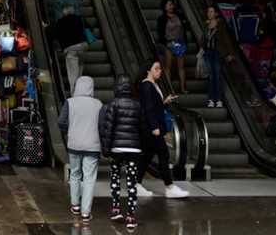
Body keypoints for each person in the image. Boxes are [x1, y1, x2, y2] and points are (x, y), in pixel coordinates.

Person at [137, 59, 190, 199]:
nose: (159, 71)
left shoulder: (152, 85)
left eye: (160, 68)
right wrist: (155, 127)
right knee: (163, 155)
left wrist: (164, 103)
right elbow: (148, 108)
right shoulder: (147, 86)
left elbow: (154, 107)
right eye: (157, 68)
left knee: (147, 156)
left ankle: (136, 184)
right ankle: (169, 187)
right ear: (149, 70)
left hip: (151, 128)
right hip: (152, 129)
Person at [100, 75, 142, 230]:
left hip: (117, 148)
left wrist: (106, 148)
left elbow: (108, 128)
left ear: (117, 87)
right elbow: (142, 128)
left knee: (115, 176)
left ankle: (116, 208)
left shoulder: (113, 104)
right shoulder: (138, 105)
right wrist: (140, 147)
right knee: (131, 181)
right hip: (134, 149)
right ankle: (131, 215)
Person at [58, 76, 102, 223]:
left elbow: (61, 122)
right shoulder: (98, 104)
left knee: (75, 174)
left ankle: (75, 205)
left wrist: (69, 132)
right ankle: (85, 213)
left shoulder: (70, 103)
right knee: (89, 178)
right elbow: (102, 126)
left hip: (74, 145)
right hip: (92, 146)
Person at [157, 0, 187, 94]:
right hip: (169, 43)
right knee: (168, 66)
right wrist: (165, 43)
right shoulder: (162, 18)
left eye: (172, 4)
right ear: (165, 7)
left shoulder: (179, 15)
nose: (171, 6)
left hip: (180, 42)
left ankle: (183, 88)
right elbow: (160, 32)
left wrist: (185, 41)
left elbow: (183, 28)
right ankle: (169, 89)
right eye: (169, 5)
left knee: (181, 67)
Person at [55, 4, 88, 94]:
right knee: (79, 69)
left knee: (72, 73)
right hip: (83, 46)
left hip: (71, 49)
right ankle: (81, 89)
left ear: (64, 12)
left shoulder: (60, 22)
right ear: (72, 11)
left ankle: (75, 94)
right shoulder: (78, 18)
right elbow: (86, 28)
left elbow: (56, 35)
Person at [203, 5, 224, 109]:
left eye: (211, 11)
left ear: (215, 13)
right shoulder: (206, 25)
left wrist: (229, 53)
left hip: (217, 53)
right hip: (208, 53)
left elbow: (226, 39)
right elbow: (203, 40)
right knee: (211, 77)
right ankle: (211, 99)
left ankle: (219, 99)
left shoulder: (220, 24)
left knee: (217, 76)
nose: (209, 13)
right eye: (208, 12)